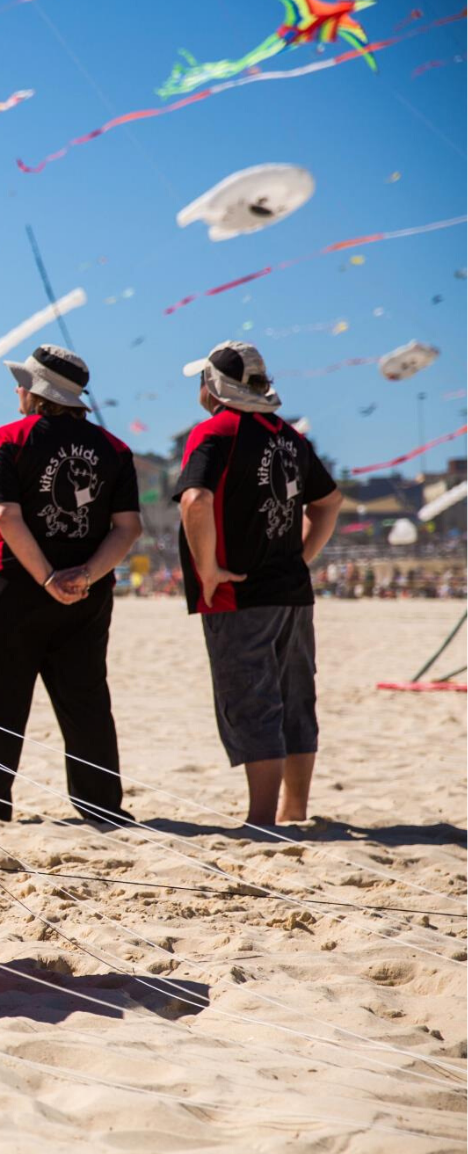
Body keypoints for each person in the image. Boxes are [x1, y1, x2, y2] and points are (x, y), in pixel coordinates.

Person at [0, 345, 143, 826]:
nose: (17, 391)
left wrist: (45, 576)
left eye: (23, 384)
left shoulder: (10, 437)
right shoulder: (115, 449)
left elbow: (7, 516)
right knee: (85, 695)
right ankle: (100, 803)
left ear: (37, 393)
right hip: (87, 588)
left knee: (0, 693)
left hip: (14, 582)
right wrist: (81, 576)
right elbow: (128, 528)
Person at [174, 341, 343, 828]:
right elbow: (329, 502)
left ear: (214, 386)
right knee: (296, 699)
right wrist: (299, 557)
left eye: (201, 381)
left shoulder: (215, 431)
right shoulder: (287, 435)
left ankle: (262, 818)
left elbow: (195, 500)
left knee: (253, 702)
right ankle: (295, 811)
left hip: (239, 592)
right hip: (292, 590)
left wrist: (207, 569)